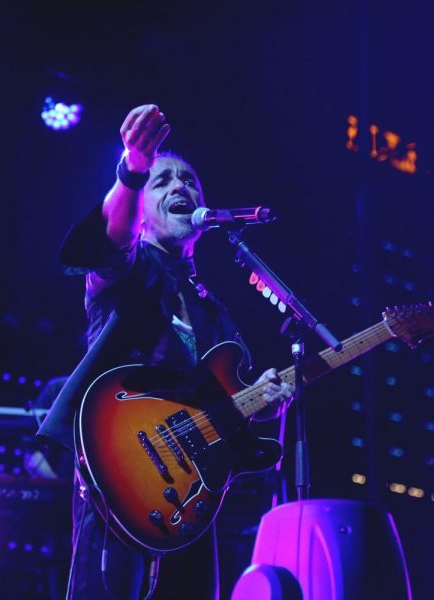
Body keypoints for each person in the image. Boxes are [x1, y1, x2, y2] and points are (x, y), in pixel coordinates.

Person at [37, 104, 292, 599]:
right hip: (120, 478)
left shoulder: (214, 315)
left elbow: (228, 419)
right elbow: (111, 236)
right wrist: (133, 170)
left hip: (190, 499)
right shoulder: (128, 270)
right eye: (164, 181)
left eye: (190, 182)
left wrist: (266, 401)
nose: (180, 187)